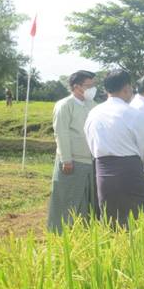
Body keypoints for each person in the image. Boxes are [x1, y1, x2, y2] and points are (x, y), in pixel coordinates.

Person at [84, 70, 144, 227]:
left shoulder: (93, 113)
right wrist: (141, 166)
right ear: (127, 88)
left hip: (103, 171)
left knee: (110, 218)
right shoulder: (134, 114)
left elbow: (90, 142)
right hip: (130, 170)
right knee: (140, 218)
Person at [46, 70, 98, 233]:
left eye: (93, 85)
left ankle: (83, 231)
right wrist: (66, 159)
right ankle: (60, 232)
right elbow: (61, 133)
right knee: (68, 198)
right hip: (72, 160)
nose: (92, 89)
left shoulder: (92, 105)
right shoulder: (65, 105)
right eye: (88, 85)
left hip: (90, 160)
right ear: (76, 87)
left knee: (86, 199)